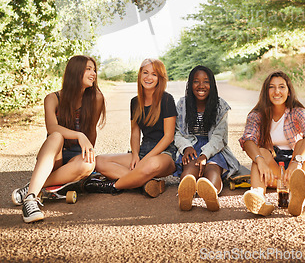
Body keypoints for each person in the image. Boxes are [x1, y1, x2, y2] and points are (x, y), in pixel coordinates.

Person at [11, 55, 106, 223]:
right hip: (54, 155)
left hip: (75, 159)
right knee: (56, 136)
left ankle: (34, 185)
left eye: (94, 70)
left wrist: (89, 152)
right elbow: (52, 128)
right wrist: (79, 135)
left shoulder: (96, 98)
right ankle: (31, 199)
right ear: (75, 72)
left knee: (88, 163)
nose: (93, 74)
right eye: (88, 69)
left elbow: (92, 130)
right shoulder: (53, 98)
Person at [240, 70, 305, 217]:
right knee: (261, 151)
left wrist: (296, 162)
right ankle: (258, 198)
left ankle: (298, 197)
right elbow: (248, 139)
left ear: (289, 91)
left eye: (281, 87)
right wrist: (259, 160)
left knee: (301, 144)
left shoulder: (297, 112)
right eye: (271, 87)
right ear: (266, 91)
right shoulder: (256, 115)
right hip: (275, 172)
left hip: (300, 168)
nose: (276, 91)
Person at [85, 58, 177, 197]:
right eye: (145, 72)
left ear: (160, 78)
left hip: (165, 154)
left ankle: (113, 186)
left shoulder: (167, 99)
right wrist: (135, 155)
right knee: (98, 161)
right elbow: (135, 133)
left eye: (154, 74)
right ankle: (146, 183)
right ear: (140, 75)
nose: (148, 77)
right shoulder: (135, 102)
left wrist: (147, 159)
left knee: (151, 164)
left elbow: (168, 137)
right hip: (143, 150)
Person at [174, 65, 240, 211]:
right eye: (196, 81)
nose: (201, 86)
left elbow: (219, 137)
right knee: (189, 170)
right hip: (190, 146)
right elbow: (177, 132)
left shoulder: (220, 105)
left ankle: (211, 193)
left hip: (213, 147)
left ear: (212, 84)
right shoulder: (182, 104)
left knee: (212, 170)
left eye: (206, 81)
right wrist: (186, 148)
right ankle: (186, 195)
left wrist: (205, 155)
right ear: (190, 84)